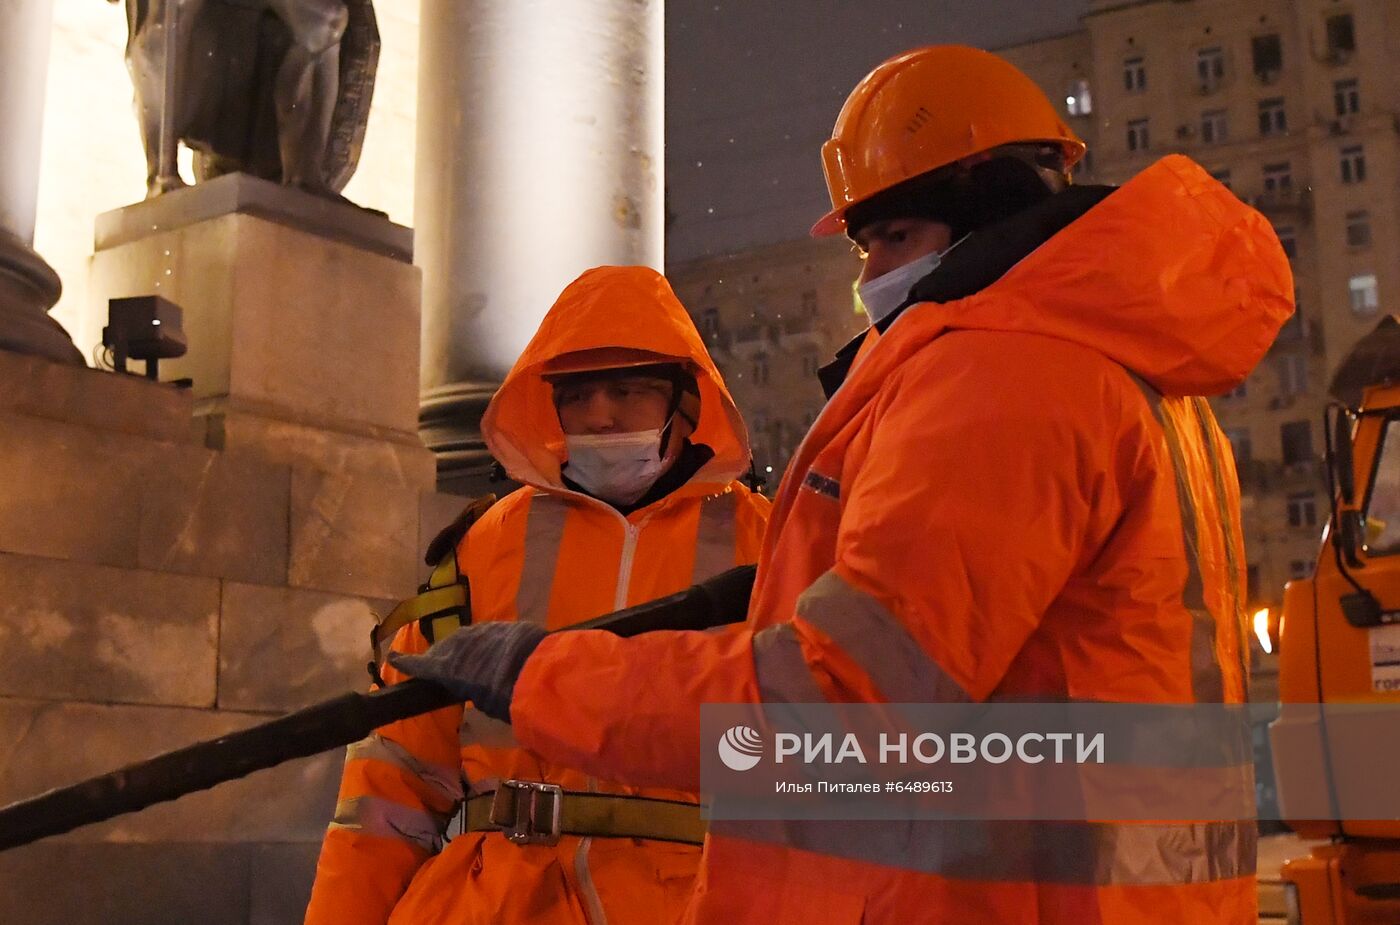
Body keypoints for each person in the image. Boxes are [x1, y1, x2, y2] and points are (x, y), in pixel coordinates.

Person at [393, 46, 1294, 923]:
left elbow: (839, 714)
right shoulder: (1134, 378)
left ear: (992, 204)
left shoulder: (1005, 375)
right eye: (863, 247)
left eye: (893, 237)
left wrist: (540, 674)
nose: (870, 279)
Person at [304, 265, 770, 924]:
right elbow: (391, 780)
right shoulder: (483, 546)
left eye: (626, 388)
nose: (598, 413)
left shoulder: (772, 544)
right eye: (575, 394)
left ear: (684, 400)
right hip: (494, 903)